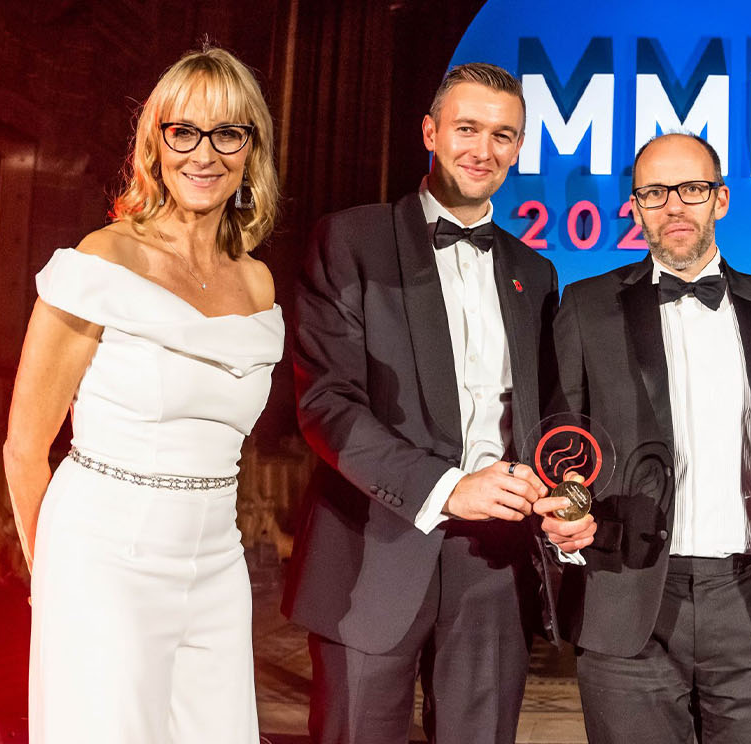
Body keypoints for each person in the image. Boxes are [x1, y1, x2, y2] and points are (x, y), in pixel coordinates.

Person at [282, 62, 571, 743]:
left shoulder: (536, 271)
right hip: (370, 550)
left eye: (504, 135)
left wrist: (556, 483)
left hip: (493, 566)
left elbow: (543, 412)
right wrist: (449, 488)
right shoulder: (349, 240)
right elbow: (327, 401)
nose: (484, 150)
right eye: (467, 128)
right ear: (430, 132)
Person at [2, 45, 282, 743]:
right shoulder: (104, 261)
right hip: (103, 561)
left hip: (217, 566)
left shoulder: (256, 283)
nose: (204, 154)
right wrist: (58, 579)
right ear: (154, 144)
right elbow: (24, 446)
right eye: (182, 131)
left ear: (252, 149)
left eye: (227, 133)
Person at [540, 132, 751, 744]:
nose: (673, 206)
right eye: (653, 193)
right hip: (625, 597)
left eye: (692, 189)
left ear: (720, 199)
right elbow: (560, 441)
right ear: (635, 207)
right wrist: (566, 520)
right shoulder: (587, 306)